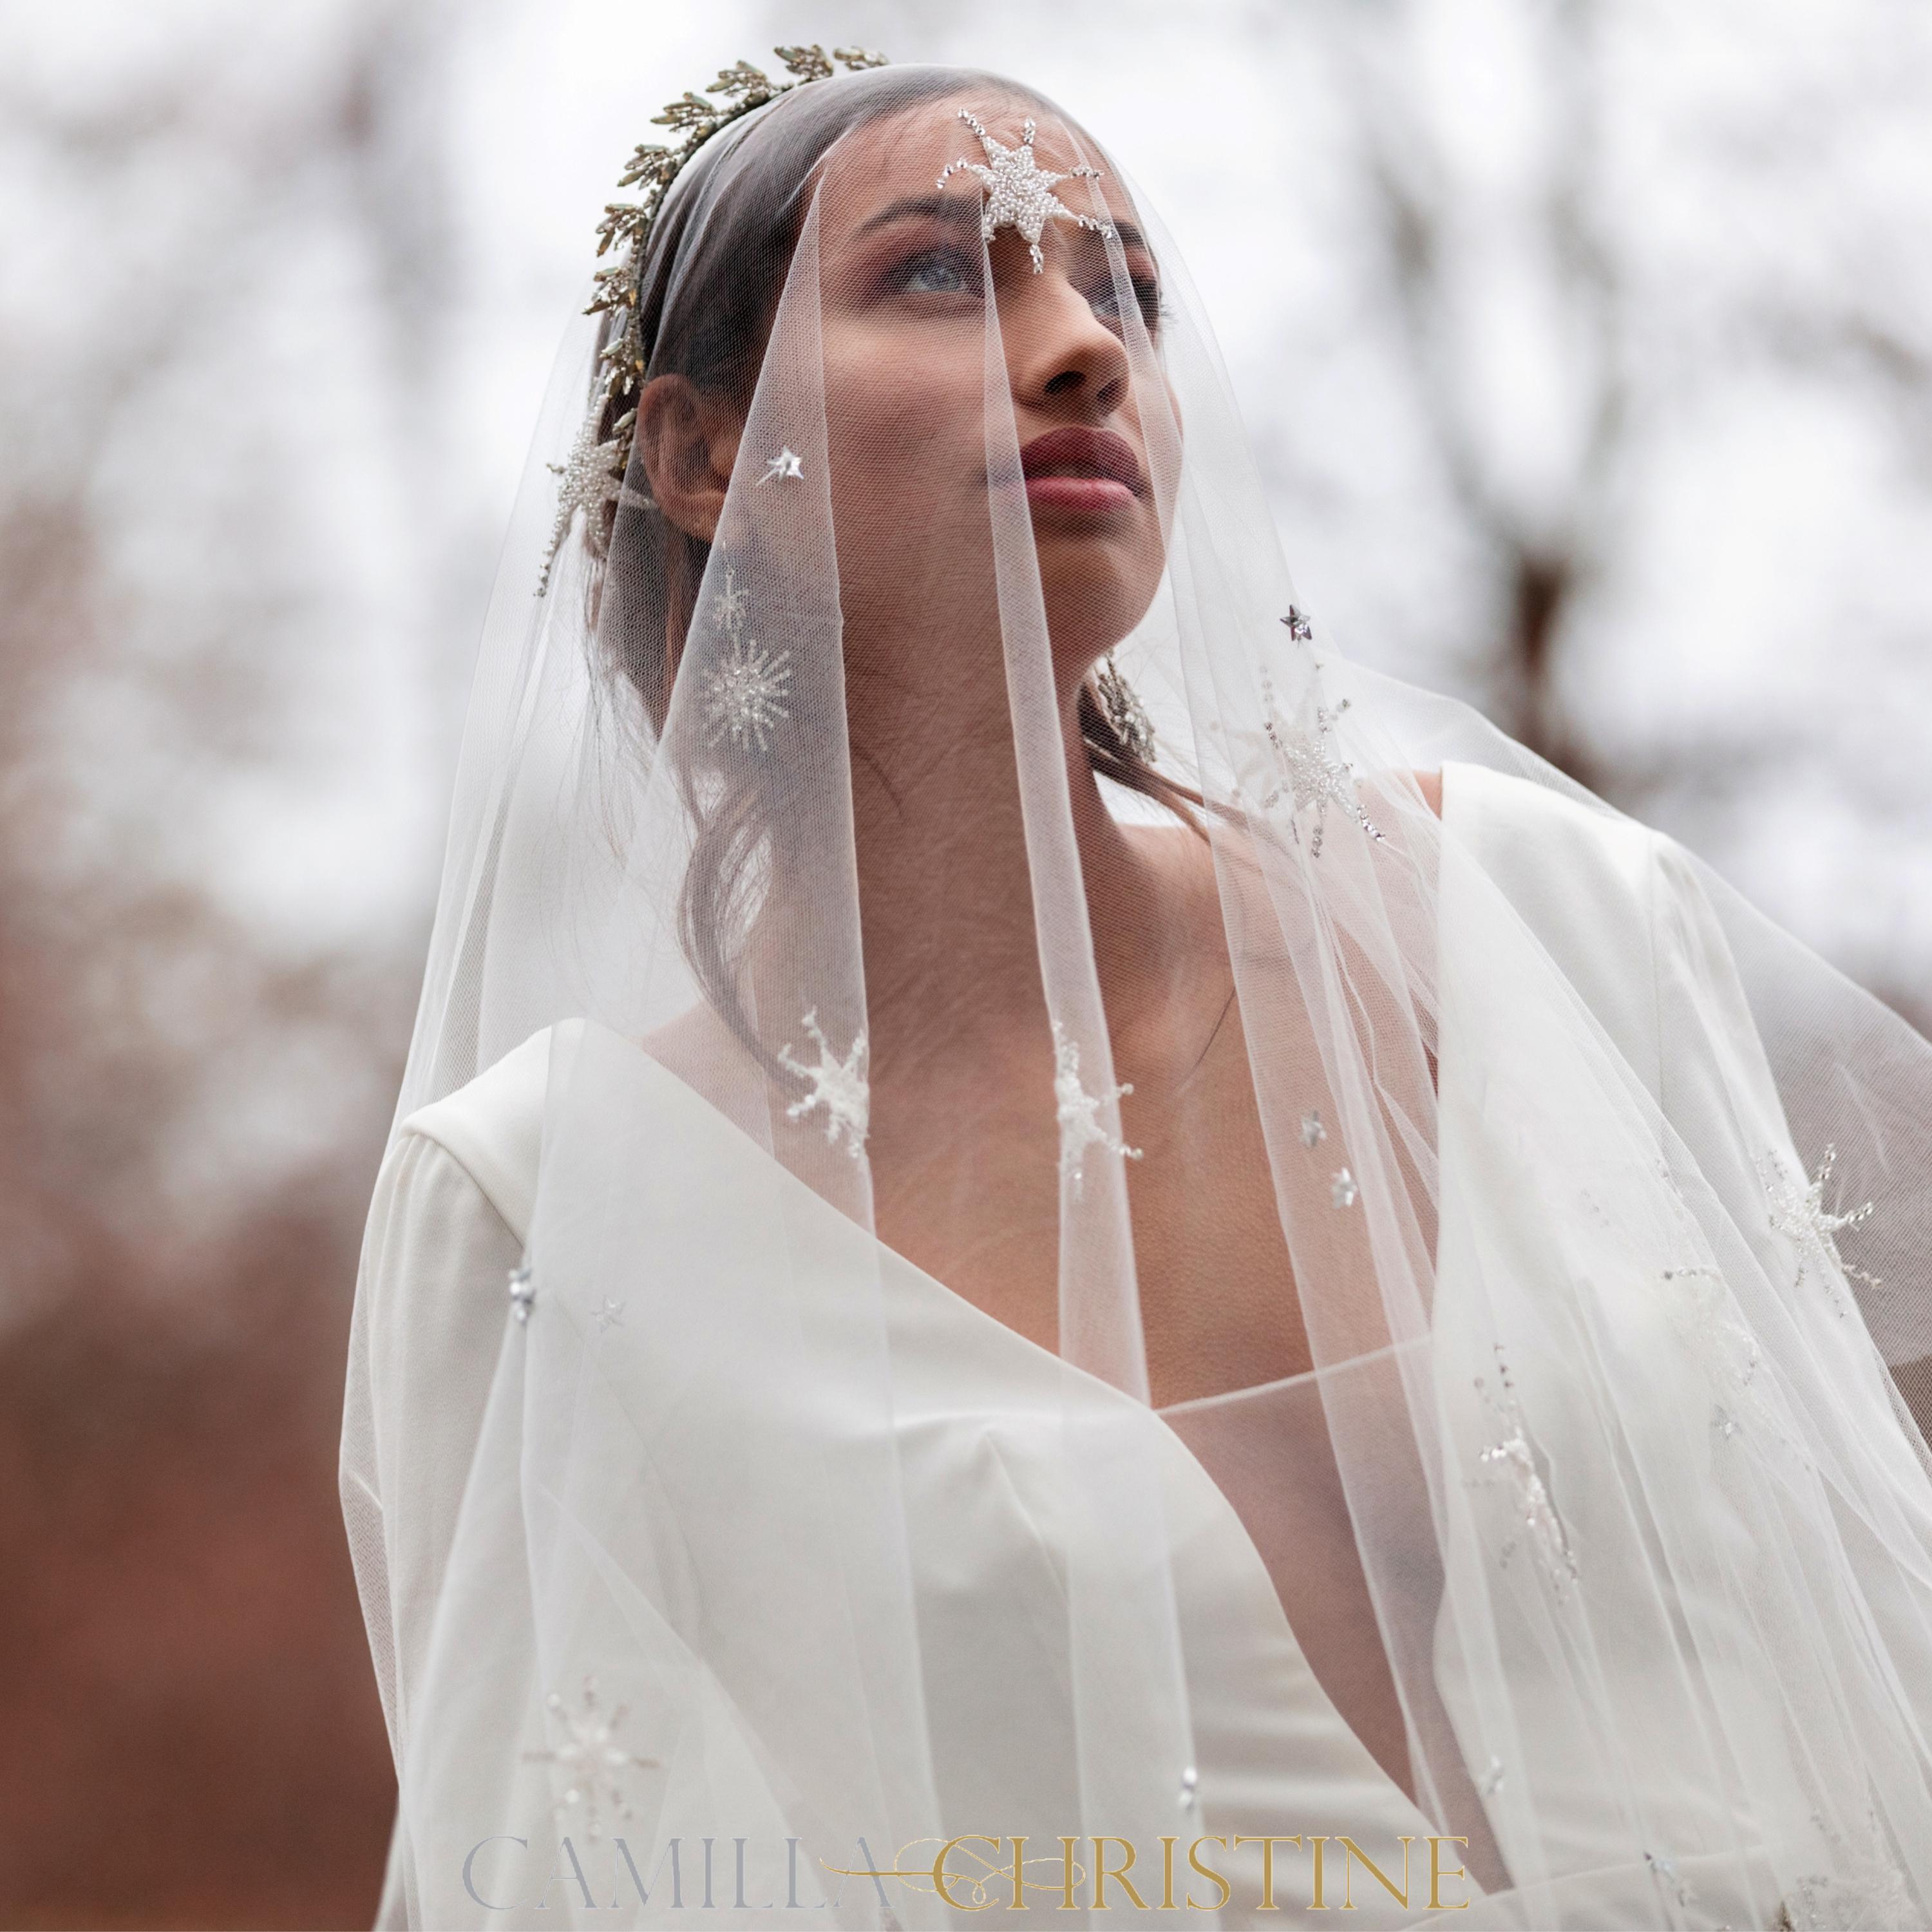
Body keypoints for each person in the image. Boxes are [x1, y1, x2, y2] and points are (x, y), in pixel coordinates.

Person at [338, 51, 1932, 1930]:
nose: (1085, 345)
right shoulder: (551, 1219)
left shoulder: (1546, 928)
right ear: (699, 452)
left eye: (1130, 291)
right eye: (943, 271)